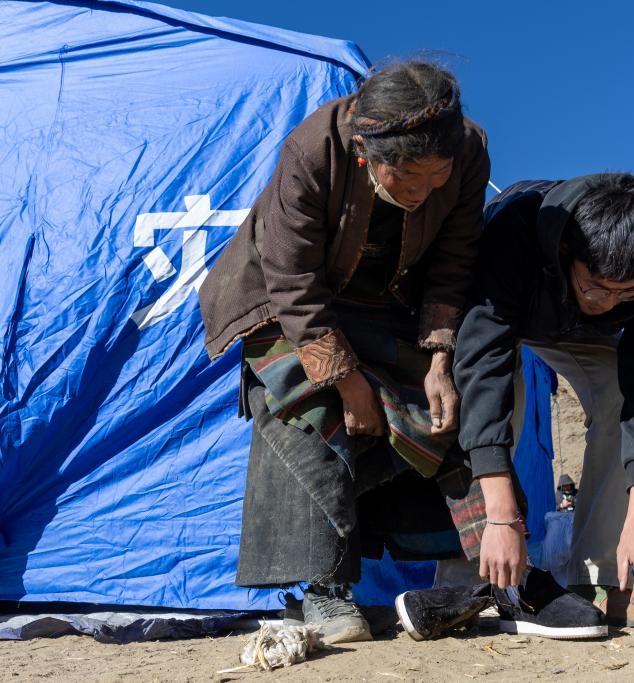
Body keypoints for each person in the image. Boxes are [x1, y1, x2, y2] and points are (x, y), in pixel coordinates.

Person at [198, 62, 490, 643]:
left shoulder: (469, 150)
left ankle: (477, 577)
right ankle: (324, 592)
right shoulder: (313, 150)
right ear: (365, 153)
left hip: (394, 303)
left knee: (444, 412)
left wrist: (439, 359)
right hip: (289, 303)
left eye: (437, 177)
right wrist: (347, 380)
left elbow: (455, 260)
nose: (423, 193)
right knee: (307, 412)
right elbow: (292, 278)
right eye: (408, 178)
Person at [454, 174, 634, 628]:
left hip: (572, 329)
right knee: (492, 407)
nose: (610, 304)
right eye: (597, 287)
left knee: (620, 392)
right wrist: (502, 519)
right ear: (565, 252)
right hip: (506, 312)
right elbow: (484, 368)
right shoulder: (513, 231)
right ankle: (470, 578)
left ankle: (602, 573)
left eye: (626, 292)